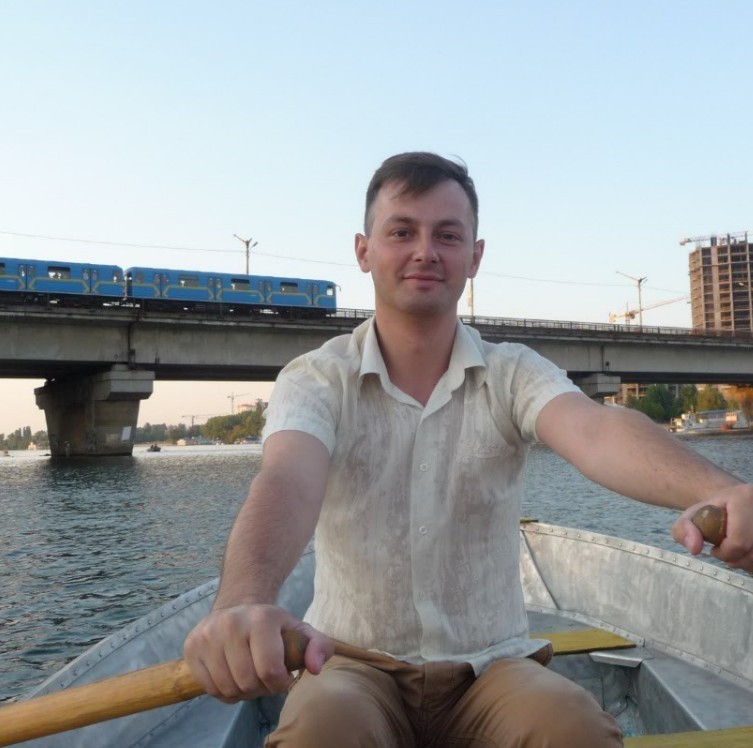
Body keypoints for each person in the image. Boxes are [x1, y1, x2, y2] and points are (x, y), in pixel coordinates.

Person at [184, 152, 753, 747]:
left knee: (572, 727)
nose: (425, 251)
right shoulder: (317, 378)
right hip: (348, 663)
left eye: (447, 235)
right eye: (402, 232)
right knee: (320, 731)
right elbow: (287, 480)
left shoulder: (513, 373)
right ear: (363, 250)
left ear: (474, 257)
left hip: (493, 668)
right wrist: (241, 604)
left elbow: (594, 430)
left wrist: (721, 491)